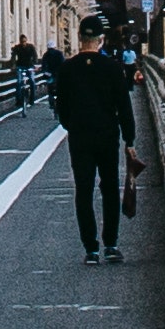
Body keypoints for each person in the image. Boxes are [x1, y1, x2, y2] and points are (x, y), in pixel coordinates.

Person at [48, 22, 140, 262]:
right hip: (107, 136)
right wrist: (129, 139)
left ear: (79, 37)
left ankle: (91, 249)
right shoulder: (112, 67)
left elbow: (62, 109)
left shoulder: (67, 69)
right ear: (101, 39)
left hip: (80, 138)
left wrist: (74, 126)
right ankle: (111, 244)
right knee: (110, 188)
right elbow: (124, 106)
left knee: (84, 190)